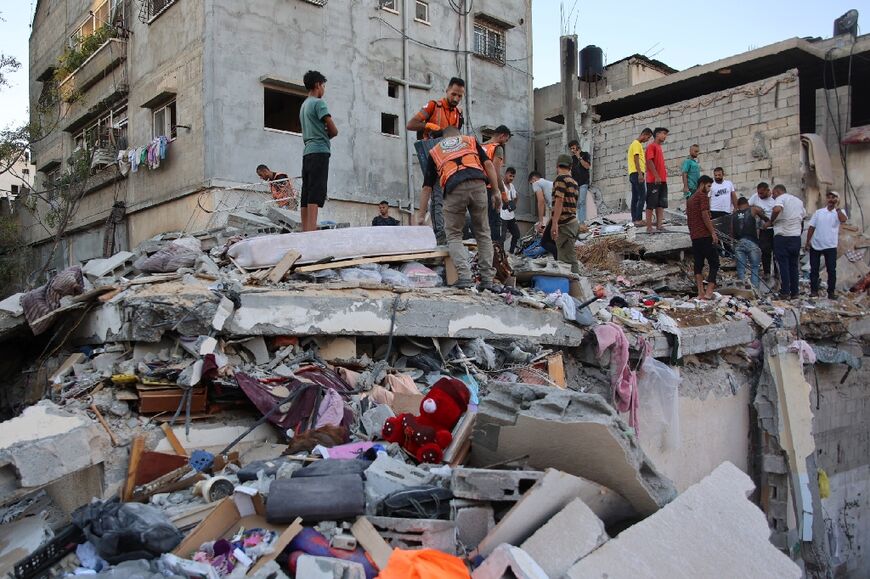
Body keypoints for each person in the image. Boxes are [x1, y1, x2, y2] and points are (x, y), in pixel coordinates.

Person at [415, 127, 501, 292]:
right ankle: (487, 280)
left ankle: (464, 277)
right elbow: (489, 164)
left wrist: (420, 215)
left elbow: (427, 187)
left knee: (454, 235)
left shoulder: (435, 151)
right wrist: (496, 191)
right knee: (483, 233)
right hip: (478, 185)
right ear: (458, 135)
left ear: (444, 139)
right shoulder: (470, 140)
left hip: (454, 189)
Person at [407, 78, 466, 245]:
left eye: (459, 96)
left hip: (447, 158)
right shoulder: (433, 106)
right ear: (447, 90)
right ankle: (440, 233)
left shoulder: (458, 114)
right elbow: (411, 124)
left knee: (444, 196)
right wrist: (431, 127)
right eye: (453, 94)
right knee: (437, 194)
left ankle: (442, 232)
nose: (456, 98)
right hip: (432, 155)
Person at [299, 70, 338, 232]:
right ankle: (312, 230)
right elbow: (334, 130)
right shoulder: (318, 103)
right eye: (323, 85)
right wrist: (328, 133)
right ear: (317, 85)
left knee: (306, 190)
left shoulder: (304, 105)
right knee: (316, 189)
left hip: (307, 151)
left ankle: (305, 229)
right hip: (320, 150)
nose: (324, 89)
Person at [764, 184, 806, 300]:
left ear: (778, 192)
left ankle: (785, 292)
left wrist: (771, 221)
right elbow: (803, 217)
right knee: (794, 266)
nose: (772, 196)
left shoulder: (780, 198)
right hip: (795, 237)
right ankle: (795, 292)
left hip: (782, 236)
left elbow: (777, 209)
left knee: (783, 265)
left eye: (773, 193)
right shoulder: (798, 201)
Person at [806, 190, 847, 299]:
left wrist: (837, 208)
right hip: (816, 244)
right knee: (814, 269)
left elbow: (843, 220)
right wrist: (807, 241)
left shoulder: (839, 212)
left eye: (833, 197)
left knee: (831, 270)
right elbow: (811, 227)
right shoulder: (819, 212)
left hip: (830, 246)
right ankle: (814, 291)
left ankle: (831, 292)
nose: (831, 199)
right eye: (829, 197)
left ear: (837, 200)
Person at [686, 175, 719, 299]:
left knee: (698, 264)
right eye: (709, 186)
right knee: (714, 262)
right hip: (705, 235)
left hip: (695, 237)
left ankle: (700, 293)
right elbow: (705, 215)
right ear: (702, 184)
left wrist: (692, 233)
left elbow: (689, 220)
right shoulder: (702, 196)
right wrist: (713, 232)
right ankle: (709, 291)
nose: (709, 189)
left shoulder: (690, 199)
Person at [551, 154, 581, 274]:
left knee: (567, 261)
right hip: (573, 223)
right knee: (566, 256)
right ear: (570, 166)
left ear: (557, 165)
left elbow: (559, 200)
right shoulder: (574, 182)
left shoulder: (560, 179)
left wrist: (554, 223)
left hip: (565, 224)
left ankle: (575, 289)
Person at [482, 125, 511, 243]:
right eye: (506, 139)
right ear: (502, 135)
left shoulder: (480, 146)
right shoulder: (497, 148)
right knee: (494, 222)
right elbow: (495, 173)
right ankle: (496, 255)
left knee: (481, 223)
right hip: (490, 189)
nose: (505, 142)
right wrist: (503, 194)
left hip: (477, 188)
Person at [731, 197, 762, 289]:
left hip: (739, 242)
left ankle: (742, 289)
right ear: (747, 203)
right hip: (751, 241)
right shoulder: (752, 209)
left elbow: (731, 231)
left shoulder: (734, 215)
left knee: (741, 268)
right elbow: (763, 215)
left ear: (738, 205)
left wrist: (733, 244)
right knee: (754, 267)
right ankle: (755, 289)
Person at [749, 182, 776, 281]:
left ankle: (777, 273)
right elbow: (747, 206)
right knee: (765, 251)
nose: (759, 195)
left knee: (776, 252)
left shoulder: (774, 200)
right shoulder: (755, 197)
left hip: (774, 228)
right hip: (763, 229)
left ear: (767, 190)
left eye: (762, 193)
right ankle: (767, 272)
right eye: (758, 193)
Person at [645, 127, 669, 233]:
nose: (665, 136)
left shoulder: (659, 147)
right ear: (657, 134)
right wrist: (656, 176)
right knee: (651, 204)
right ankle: (649, 227)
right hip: (653, 181)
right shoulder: (651, 146)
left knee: (661, 204)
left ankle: (659, 226)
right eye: (664, 133)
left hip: (662, 180)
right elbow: (649, 162)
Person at [528, 171, 557, 258]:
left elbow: (540, 201)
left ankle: (558, 259)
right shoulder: (550, 184)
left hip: (557, 214)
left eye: (530, 183)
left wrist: (541, 221)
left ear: (533, 179)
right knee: (554, 240)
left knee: (544, 242)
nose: (532, 187)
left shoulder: (536, 183)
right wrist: (548, 224)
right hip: (564, 213)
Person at [627, 128, 653, 225]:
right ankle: (638, 219)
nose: (647, 140)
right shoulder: (636, 144)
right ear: (644, 134)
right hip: (637, 173)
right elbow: (636, 159)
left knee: (635, 197)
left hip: (633, 173)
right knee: (642, 195)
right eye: (648, 137)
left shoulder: (634, 144)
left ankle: (634, 219)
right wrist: (640, 174)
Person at [569, 140, 591, 222]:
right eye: (570, 149)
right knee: (576, 204)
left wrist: (579, 157)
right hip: (575, 184)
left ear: (577, 147)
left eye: (573, 148)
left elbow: (587, 166)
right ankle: (577, 222)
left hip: (583, 182)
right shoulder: (571, 159)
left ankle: (582, 222)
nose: (572, 150)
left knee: (581, 202)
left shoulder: (585, 154)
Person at [500, 167, 521, 253]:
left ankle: (511, 252)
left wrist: (513, 205)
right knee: (502, 237)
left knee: (516, 234)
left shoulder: (512, 186)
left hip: (511, 216)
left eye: (513, 176)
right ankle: (500, 255)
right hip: (502, 216)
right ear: (506, 174)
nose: (511, 178)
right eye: (510, 175)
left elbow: (516, 197)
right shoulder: (500, 185)